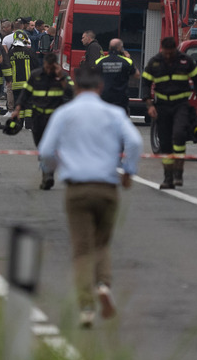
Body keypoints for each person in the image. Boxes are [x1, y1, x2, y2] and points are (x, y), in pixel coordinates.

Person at [37, 64, 143, 328]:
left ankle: (86, 307)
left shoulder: (64, 113)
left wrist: (56, 168)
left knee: (82, 248)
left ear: (75, 87)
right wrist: (128, 171)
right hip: (107, 187)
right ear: (100, 86)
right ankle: (103, 285)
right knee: (101, 243)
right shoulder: (114, 113)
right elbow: (134, 142)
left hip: (77, 188)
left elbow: (46, 151)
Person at [142, 36, 197, 190]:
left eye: (171, 53)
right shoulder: (155, 62)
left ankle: (178, 172)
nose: (168, 56)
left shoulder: (185, 61)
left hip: (180, 105)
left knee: (179, 135)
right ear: (162, 50)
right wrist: (149, 105)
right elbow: (145, 84)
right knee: (165, 143)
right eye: (166, 53)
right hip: (162, 106)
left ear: (175, 49)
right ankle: (168, 178)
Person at [9, 52, 74, 189]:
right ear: (44, 64)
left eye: (51, 67)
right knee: (41, 146)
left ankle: (48, 174)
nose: (49, 70)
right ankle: (47, 171)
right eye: (47, 67)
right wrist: (17, 109)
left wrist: (61, 78)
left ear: (55, 65)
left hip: (55, 119)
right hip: (38, 117)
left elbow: (71, 92)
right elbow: (25, 93)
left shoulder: (62, 76)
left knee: (51, 147)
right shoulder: (36, 75)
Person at [98, 39, 135, 110]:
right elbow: (137, 75)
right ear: (120, 48)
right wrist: (128, 58)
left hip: (104, 98)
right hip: (120, 100)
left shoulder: (99, 61)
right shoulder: (126, 61)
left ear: (109, 47)